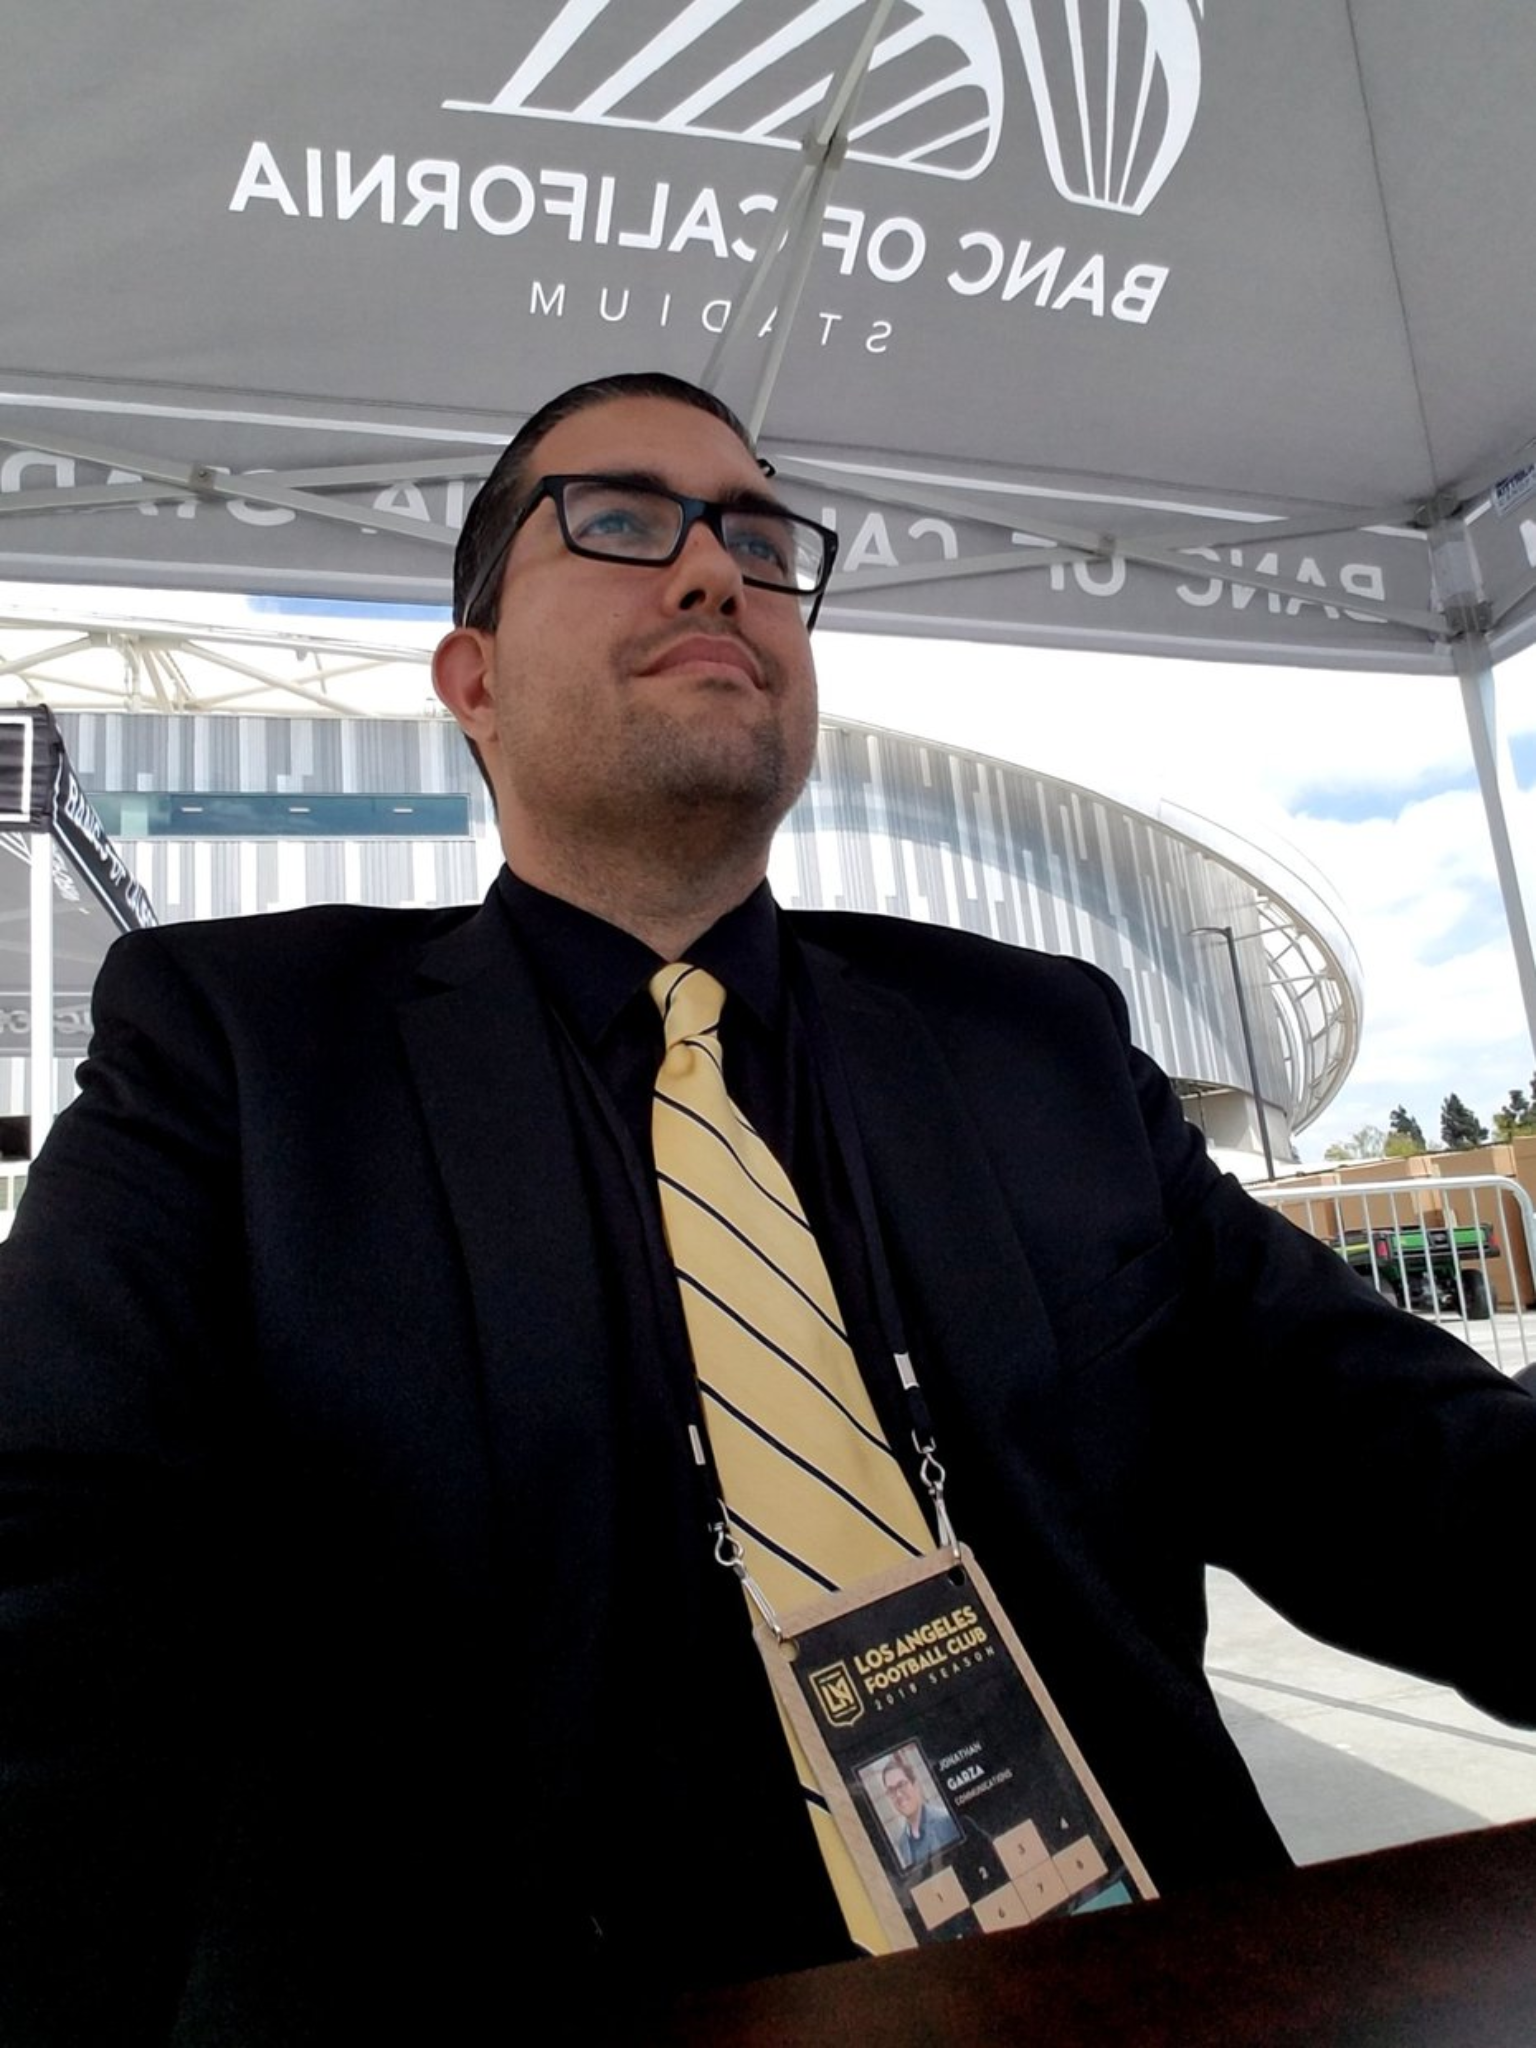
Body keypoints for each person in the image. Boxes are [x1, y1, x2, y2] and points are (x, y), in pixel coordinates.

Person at [2, 369, 1534, 2043]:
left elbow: (1406, 1459)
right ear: (474, 680)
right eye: (619, 519)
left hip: (1142, 1994)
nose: (712, 569)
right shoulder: (245, 1059)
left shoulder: (1040, 1047)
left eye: (757, 539)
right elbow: (49, 1587)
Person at [882, 1757, 961, 1870]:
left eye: (901, 1785)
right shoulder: (903, 1844)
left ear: (915, 1785)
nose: (898, 1795)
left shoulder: (946, 1819)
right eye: (891, 1790)